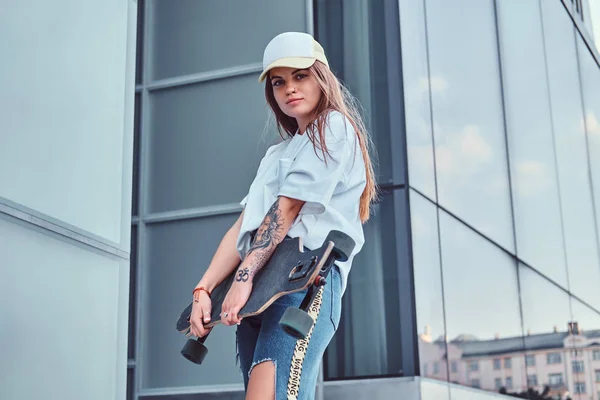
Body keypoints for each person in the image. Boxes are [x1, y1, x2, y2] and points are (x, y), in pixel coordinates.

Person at [188, 32, 377, 400]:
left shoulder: (333, 128)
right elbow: (245, 225)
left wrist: (242, 278)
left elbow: (287, 209)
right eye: (279, 82)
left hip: (305, 282)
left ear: (321, 76)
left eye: (300, 76)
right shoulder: (277, 153)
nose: (290, 88)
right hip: (259, 289)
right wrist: (204, 289)